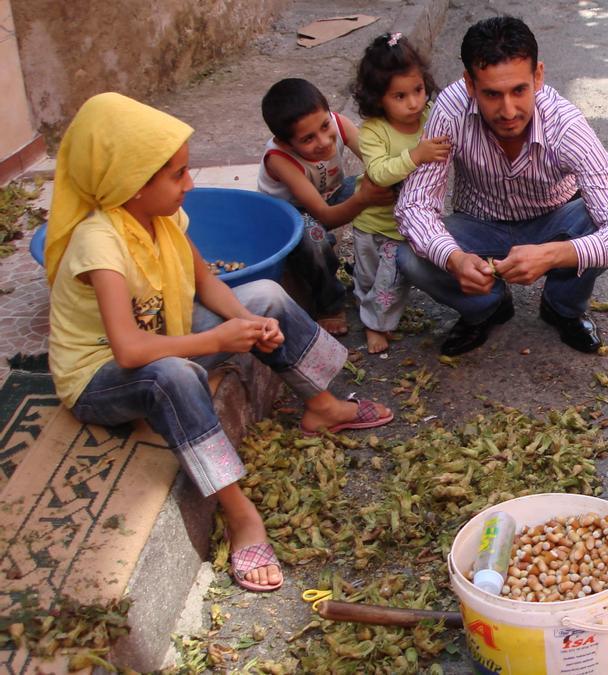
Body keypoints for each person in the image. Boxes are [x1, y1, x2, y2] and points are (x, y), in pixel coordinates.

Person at [46, 93, 394, 593]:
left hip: (164, 333)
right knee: (175, 374)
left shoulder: (161, 218)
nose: (189, 184)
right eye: (176, 175)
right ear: (129, 185)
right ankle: (240, 514)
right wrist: (216, 337)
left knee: (265, 295)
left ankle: (323, 406)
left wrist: (248, 323)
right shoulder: (100, 241)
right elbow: (126, 350)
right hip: (98, 378)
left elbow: (206, 283)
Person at [395, 16, 608, 356]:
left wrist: (552, 255)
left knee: (595, 220)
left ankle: (562, 306)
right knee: (410, 256)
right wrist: (454, 258)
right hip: (479, 223)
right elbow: (414, 205)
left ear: (538, 76)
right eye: (492, 94)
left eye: (519, 90)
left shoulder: (566, 124)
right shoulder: (449, 111)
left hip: (554, 220)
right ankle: (487, 306)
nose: (508, 110)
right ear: (469, 84)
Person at [257, 78, 394, 336]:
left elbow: (378, 165)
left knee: (386, 190)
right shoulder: (279, 159)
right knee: (315, 238)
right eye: (308, 139)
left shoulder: (339, 124)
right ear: (286, 143)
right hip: (291, 217)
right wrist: (364, 198)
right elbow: (323, 215)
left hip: (330, 196)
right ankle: (329, 304)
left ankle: (366, 272)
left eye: (324, 125)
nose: (324, 141)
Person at [350, 33, 451, 355]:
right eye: (400, 96)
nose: (414, 102)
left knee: (389, 282)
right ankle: (365, 306)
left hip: (402, 229)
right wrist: (416, 156)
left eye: (418, 90)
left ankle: (375, 325)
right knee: (368, 276)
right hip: (369, 223)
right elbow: (378, 173)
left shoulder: (431, 117)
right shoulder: (373, 131)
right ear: (379, 98)